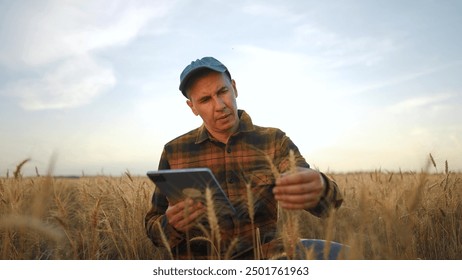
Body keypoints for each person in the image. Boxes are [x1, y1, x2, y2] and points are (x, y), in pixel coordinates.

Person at [145, 57, 343, 260]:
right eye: (205, 100)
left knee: (340, 256)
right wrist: (170, 225)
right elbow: (153, 226)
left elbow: (328, 206)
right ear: (192, 107)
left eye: (222, 92)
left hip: (263, 260)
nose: (220, 105)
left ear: (234, 88)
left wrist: (320, 186)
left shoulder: (273, 141)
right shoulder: (174, 151)